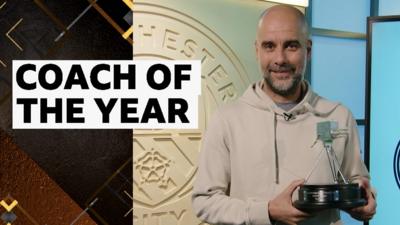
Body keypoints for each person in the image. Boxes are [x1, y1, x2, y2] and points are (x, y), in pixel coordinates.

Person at [192, 4, 376, 225]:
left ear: (308, 50)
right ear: (257, 50)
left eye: (291, 46)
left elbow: (357, 181)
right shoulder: (226, 119)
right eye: (269, 46)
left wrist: (364, 200)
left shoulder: (338, 116)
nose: (280, 59)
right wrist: (266, 211)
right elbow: (204, 201)